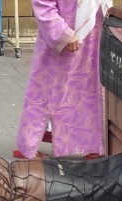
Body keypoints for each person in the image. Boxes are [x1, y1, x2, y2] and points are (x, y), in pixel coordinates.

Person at [15, 0, 112, 158]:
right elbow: (42, 4)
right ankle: (28, 145)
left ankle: (94, 146)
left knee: (90, 93)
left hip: (94, 37)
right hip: (64, 42)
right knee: (45, 94)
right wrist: (62, 33)